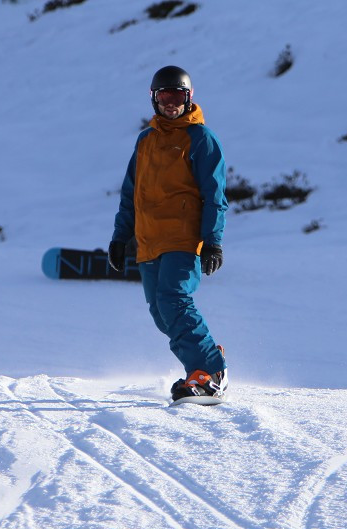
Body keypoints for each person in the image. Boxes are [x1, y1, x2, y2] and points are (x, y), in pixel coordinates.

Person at [109, 65, 229, 402]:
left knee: (174, 299)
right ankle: (202, 360)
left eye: (178, 96)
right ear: (154, 99)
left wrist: (213, 242)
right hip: (148, 241)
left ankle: (210, 372)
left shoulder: (200, 138)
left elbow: (215, 195)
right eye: (164, 96)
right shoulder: (145, 140)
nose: (171, 103)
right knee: (162, 314)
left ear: (189, 98)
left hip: (182, 237)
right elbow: (131, 194)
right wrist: (120, 238)